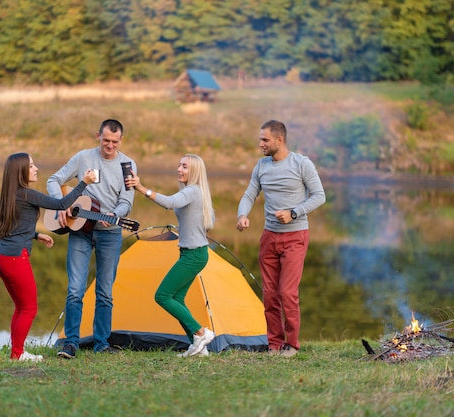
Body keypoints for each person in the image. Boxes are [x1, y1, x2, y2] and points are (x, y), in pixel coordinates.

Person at [0, 152, 97, 362]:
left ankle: (16, 351)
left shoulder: (11, 194)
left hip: (2, 255)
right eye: (31, 166)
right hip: (15, 258)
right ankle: (18, 354)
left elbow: (14, 228)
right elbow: (61, 205)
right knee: (29, 308)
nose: (36, 169)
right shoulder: (26, 194)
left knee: (21, 307)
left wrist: (36, 235)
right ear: (21, 171)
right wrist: (83, 183)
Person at [236, 120, 326, 357]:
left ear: (279, 140)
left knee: (287, 292)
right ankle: (274, 344)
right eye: (260, 139)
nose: (260, 144)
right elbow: (249, 193)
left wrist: (294, 212)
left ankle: (292, 344)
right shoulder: (261, 166)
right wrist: (242, 214)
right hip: (269, 237)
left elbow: (319, 196)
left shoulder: (301, 163)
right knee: (270, 293)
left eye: (264, 140)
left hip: (295, 236)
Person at [47, 119, 136, 358]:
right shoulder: (83, 157)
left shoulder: (128, 165)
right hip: (80, 231)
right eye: (105, 140)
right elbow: (53, 180)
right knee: (75, 289)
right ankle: (70, 343)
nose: (109, 146)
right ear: (98, 135)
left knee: (105, 292)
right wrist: (61, 205)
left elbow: (126, 201)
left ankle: (101, 343)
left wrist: (115, 215)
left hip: (110, 234)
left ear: (121, 140)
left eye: (114, 142)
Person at [125, 154, 215, 357]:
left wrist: (141, 188)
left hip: (193, 255)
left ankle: (201, 332)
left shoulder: (192, 191)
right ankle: (197, 347)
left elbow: (169, 203)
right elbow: (209, 219)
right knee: (178, 299)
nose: (179, 169)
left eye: (184, 166)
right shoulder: (195, 192)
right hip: (193, 253)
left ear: (194, 172)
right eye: (179, 165)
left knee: (163, 295)